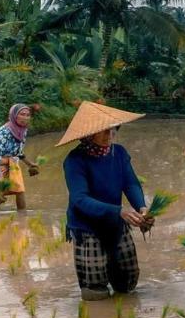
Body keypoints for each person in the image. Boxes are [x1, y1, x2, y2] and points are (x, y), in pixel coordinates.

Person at [59, 101, 150, 301]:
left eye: (112, 131)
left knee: (127, 279)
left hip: (115, 220)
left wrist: (141, 207)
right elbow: (79, 199)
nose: (110, 136)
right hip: (87, 225)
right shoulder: (75, 160)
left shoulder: (119, 153)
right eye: (104, 132)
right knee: (95, 288)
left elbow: (131, 183)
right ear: (88, 134)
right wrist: (119, 211)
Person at [0, 104, 39, 214]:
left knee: (19, 188)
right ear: (14, 115)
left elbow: (18, 151)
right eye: (22, 114)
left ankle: (22, 217)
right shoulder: (4, 131)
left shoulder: (22, 130)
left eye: (28, 115)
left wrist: (29, 164)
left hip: (11, 158)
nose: (25, 117)